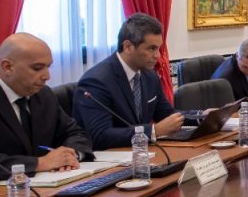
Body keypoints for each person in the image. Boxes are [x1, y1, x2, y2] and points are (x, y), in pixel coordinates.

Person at [0, 34, 92, 190]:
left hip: (45, 189)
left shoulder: (44, 95)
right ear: (7, 67)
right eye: (37, 68)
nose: (47, 76)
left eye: (48, 67)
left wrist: (69, 156)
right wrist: (40, 163)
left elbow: (75, 133)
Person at [74, 13, 184, 150]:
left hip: (142, 153)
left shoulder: (150, 76)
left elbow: (168, 115)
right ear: (128, 47)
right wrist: (154, 131)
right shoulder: (96, 81)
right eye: (151, 48)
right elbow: (100, 136)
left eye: (158, 48)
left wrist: (202, 117)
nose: (157, 55)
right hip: (109, 157)